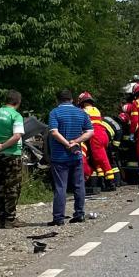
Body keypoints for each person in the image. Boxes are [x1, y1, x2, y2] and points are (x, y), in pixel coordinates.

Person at [48, 89, 94, 225]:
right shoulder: (81, 112)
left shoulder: (54, 112)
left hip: (59, 156)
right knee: (79, 185)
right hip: (76, 155)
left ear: (58, 100)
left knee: (60, 187)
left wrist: (66, 143)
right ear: (72, 99)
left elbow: (54, 132)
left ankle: (58, 218)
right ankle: (79, 214)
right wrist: (76, 141)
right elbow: (90, 131)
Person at [0, 90, 27, 228]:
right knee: (12, 187)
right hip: (12, 154)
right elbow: (17, 136)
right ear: (18, 102)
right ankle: (10, 219)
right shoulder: (15, 115)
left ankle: (0, 219)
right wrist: (2, 146)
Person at [77, 92, 116, 190]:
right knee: (98, 159)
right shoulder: (96, 110)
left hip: (95, 137)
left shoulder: (83, 111)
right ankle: (102, 182)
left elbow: (81, 126)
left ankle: (111, 183)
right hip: (103, 135)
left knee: (103, 160)